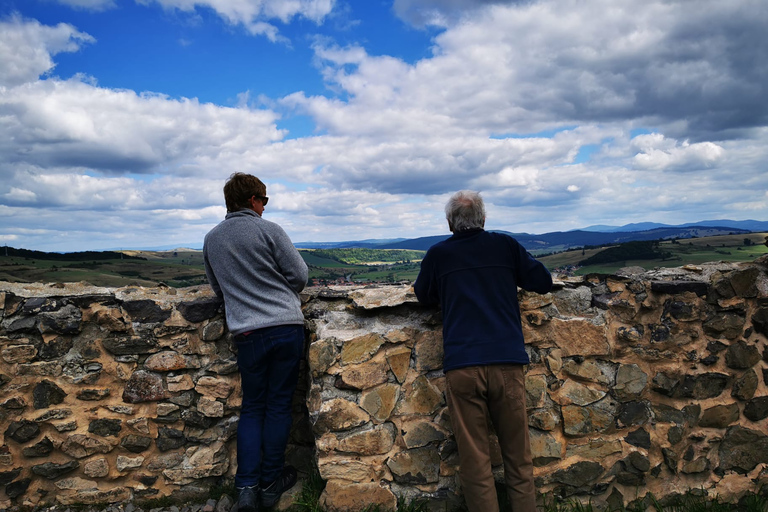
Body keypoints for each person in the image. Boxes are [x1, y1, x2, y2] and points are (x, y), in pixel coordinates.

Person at [413, 190, 552, 512]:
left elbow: (423, 295)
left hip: (462, 364)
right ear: (484, 219)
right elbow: (543, 281)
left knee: (475, 459)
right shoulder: (505, 246)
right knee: (518, 455)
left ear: (450, 222)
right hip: (506, 361)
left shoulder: (438, 254)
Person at [204, 172, 308, 512]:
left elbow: (219, 291)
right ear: (253, 200)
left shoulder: (212, 240)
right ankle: (270, 483)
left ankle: (247, 488)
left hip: (247, 333)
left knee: (252, 408)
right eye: (264, 200)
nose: (265, 206)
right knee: (278, 406)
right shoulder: (269, 230)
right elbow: (300, 276)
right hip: (284, 328)